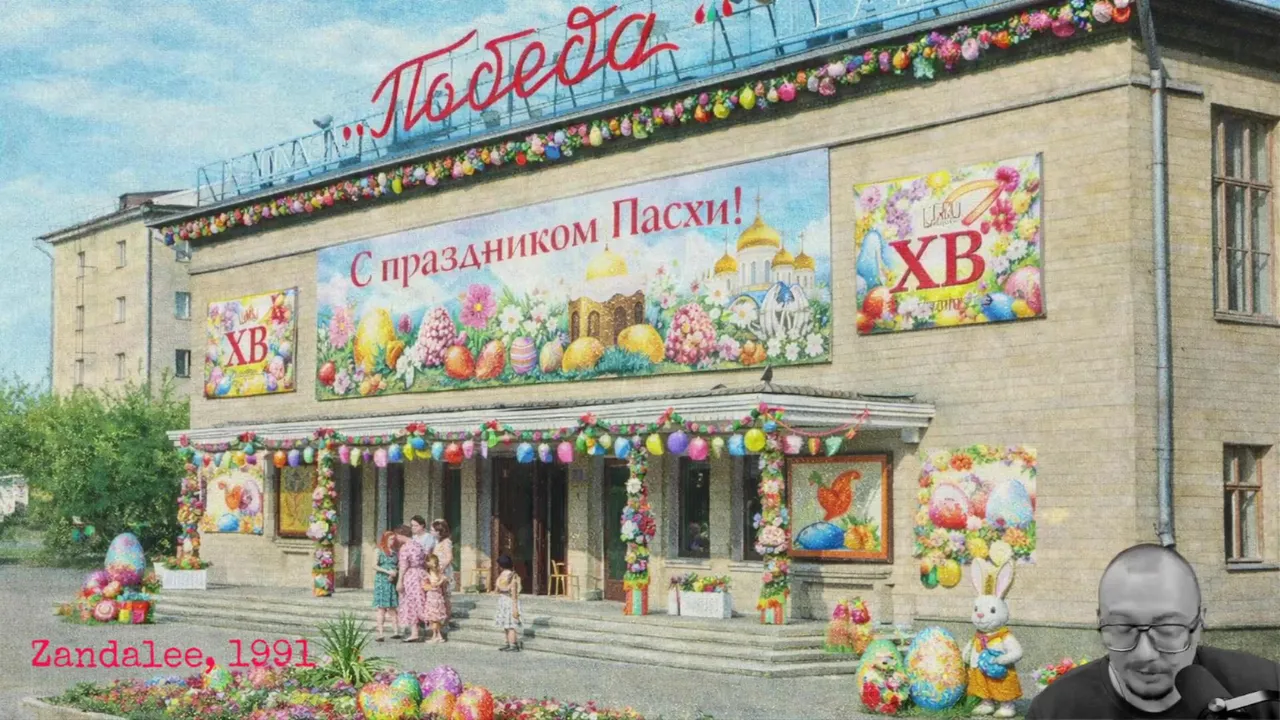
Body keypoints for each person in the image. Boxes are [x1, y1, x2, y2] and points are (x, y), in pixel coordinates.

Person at [1027, 543, 1280, 719]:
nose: (1145, 654)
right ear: (1100, 622)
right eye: (1123, 627)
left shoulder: (1265, 689)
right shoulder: (1054, 710)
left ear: (1200, 622)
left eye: (1168, 628)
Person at [393, 525, 427, 643]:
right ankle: (421, 629)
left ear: (401, 535)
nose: (396, 538)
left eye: (397, 536)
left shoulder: (405, 547)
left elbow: (403, 566)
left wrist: (399, 581)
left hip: (411, 575)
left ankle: (414, 632)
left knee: (410, 602)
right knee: (420, 600)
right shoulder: (418, 545)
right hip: (421, 573)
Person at [372, 530, 400, 641]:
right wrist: (387, 571)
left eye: (393, 539)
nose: (392, 541)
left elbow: (397, 565)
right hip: (382, 580)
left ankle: (396, 631)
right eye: (390, 539)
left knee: (392, 607)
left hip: (391, 581)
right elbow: (374, 565)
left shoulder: (395, 552)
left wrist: (394, 573)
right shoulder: (379, 550)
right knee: (381, 608)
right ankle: (380, 633)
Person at [493, 553, 523, 652]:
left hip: (505, 600)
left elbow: (496, 590)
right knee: (509, 624)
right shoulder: (513, 575)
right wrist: (515, 606)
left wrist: (515, 608)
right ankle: (510, 643)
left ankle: (512, 645)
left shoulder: (502, 576)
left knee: (508, 624)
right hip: (509, 600)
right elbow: (514, 592)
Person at [431, 519, 454, 634]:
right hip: (436, 571)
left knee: (445, 597)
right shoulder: (437, 542)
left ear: (439, 531)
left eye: (432, 530)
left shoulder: (446, 542)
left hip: (443, 571)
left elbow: (449, 557)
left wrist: (441, 569)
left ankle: (446, 622)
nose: (431, 532)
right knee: (439, 596)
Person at [422, 554, 448, 644]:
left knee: (435, 618)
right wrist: (441, 580)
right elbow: (431, 585)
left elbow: (435, 585)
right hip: (432, 596)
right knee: (434, 618)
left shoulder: (436, 573)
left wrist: (442, 581)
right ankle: (437, 635)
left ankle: (436, 636)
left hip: (436, 597)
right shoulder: (429, 573)